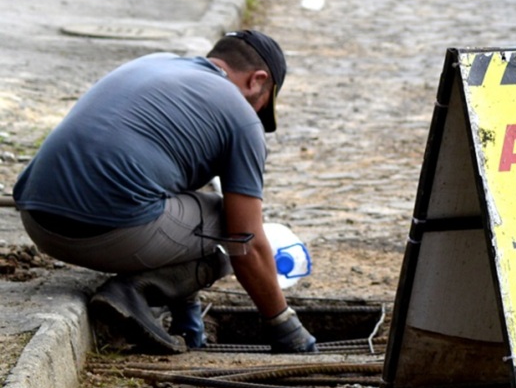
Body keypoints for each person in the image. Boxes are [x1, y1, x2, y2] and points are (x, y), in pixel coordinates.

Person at [13, 30, 316, 354]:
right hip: (102, 234)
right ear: (257, 80)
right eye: (262, 103)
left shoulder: (154, 63)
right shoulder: (242, 118)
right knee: (230, 223)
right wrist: (284, 327)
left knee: (187, 207)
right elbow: (247, 242)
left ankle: (161, 302)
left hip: (36, 221)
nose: (256, 113)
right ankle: (134, 293)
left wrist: (186, 311)